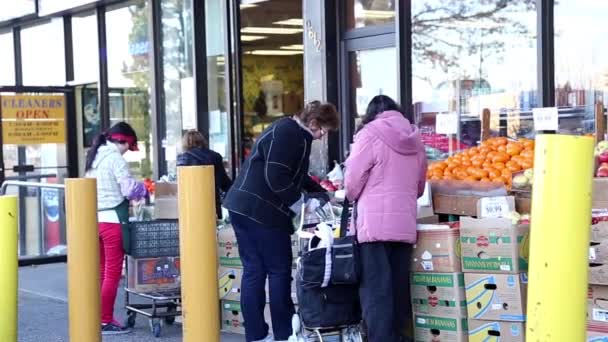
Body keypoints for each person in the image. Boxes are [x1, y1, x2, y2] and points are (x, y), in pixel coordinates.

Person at [223, 101, 340, 342]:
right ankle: (285, 334)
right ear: (314, 123)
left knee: (254, 271)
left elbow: (294, 173)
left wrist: (320, 193)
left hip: (242, 206)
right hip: (263, 211)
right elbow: (276, 176)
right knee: (278, 271)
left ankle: (256, 335)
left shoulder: (285, 129)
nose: (321, 137)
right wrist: (301, 205)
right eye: (323, 131)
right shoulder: (291, 134)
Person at [344, 95, 428, 342]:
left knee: (375, 292)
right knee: (398, 290)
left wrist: (351, 194)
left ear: (372, 113)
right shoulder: (415, 138)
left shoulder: (369, 134)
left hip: (374, 227)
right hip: (403, 225)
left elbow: (352, 182)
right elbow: (420, 187)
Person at [85, 122, 147, 335]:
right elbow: (128, 190)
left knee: (102, 272)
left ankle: (98, 317)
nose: (127, 152)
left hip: (94, 221)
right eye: (128, 147)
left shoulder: (94, 157)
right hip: (113, 222)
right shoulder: (115, 159)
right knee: (112, 274)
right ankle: (105, 319)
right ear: (122, 141)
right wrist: (143, 188)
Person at [176, 130, 233, 219]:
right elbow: (225, 182)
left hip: (190, 205)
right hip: (211, 203)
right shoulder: (215, 157)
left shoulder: (182, 159)